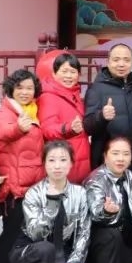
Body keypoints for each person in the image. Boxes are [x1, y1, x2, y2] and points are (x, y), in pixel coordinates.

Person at [11, 141, 91, 263]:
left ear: (71, 163)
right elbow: (36, 234)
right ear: (44, 164)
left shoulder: (79, 193)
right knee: (45, 250)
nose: (57, 166)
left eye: (63, 160)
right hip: (29, 251)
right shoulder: (34, 193)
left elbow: (83, 233)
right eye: (52, 160)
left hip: (61, 255)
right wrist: (51, 204)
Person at [0, 69, 45, 263]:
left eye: (29, 88)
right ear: (11, 89)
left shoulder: (32, 111)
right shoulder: (6, 112)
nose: (25, 92)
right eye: (20, 87)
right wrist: (18, 128)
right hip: (14, 187)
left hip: (31, 185)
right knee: (10, 237)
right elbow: (2, 133)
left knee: (22, 236)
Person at [83, 136, 132, 263]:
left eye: (126, 154)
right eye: (115, 153)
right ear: (105, 156)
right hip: (101, 241)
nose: (121, 158)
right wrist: (107, 212)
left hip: (126, 240)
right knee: (110, 233)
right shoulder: (95, 180)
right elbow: (95, 214)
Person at [83, 44, 132, 173]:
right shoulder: (96, 89)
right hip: (108, 163)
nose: (121, 64)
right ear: (108, 62)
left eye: (126, 60)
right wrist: (102, 116)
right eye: (116, 60)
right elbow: (88, 126)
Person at [38, 53, 91, 184]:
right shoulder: (48, 97)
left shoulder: (74, 94)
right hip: (63, 161)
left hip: (79, 160)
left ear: (78, 74)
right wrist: (67, 128)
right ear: (54, 73)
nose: (68, 76)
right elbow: (47, 129)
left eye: (73, 72)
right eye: (64, 71)